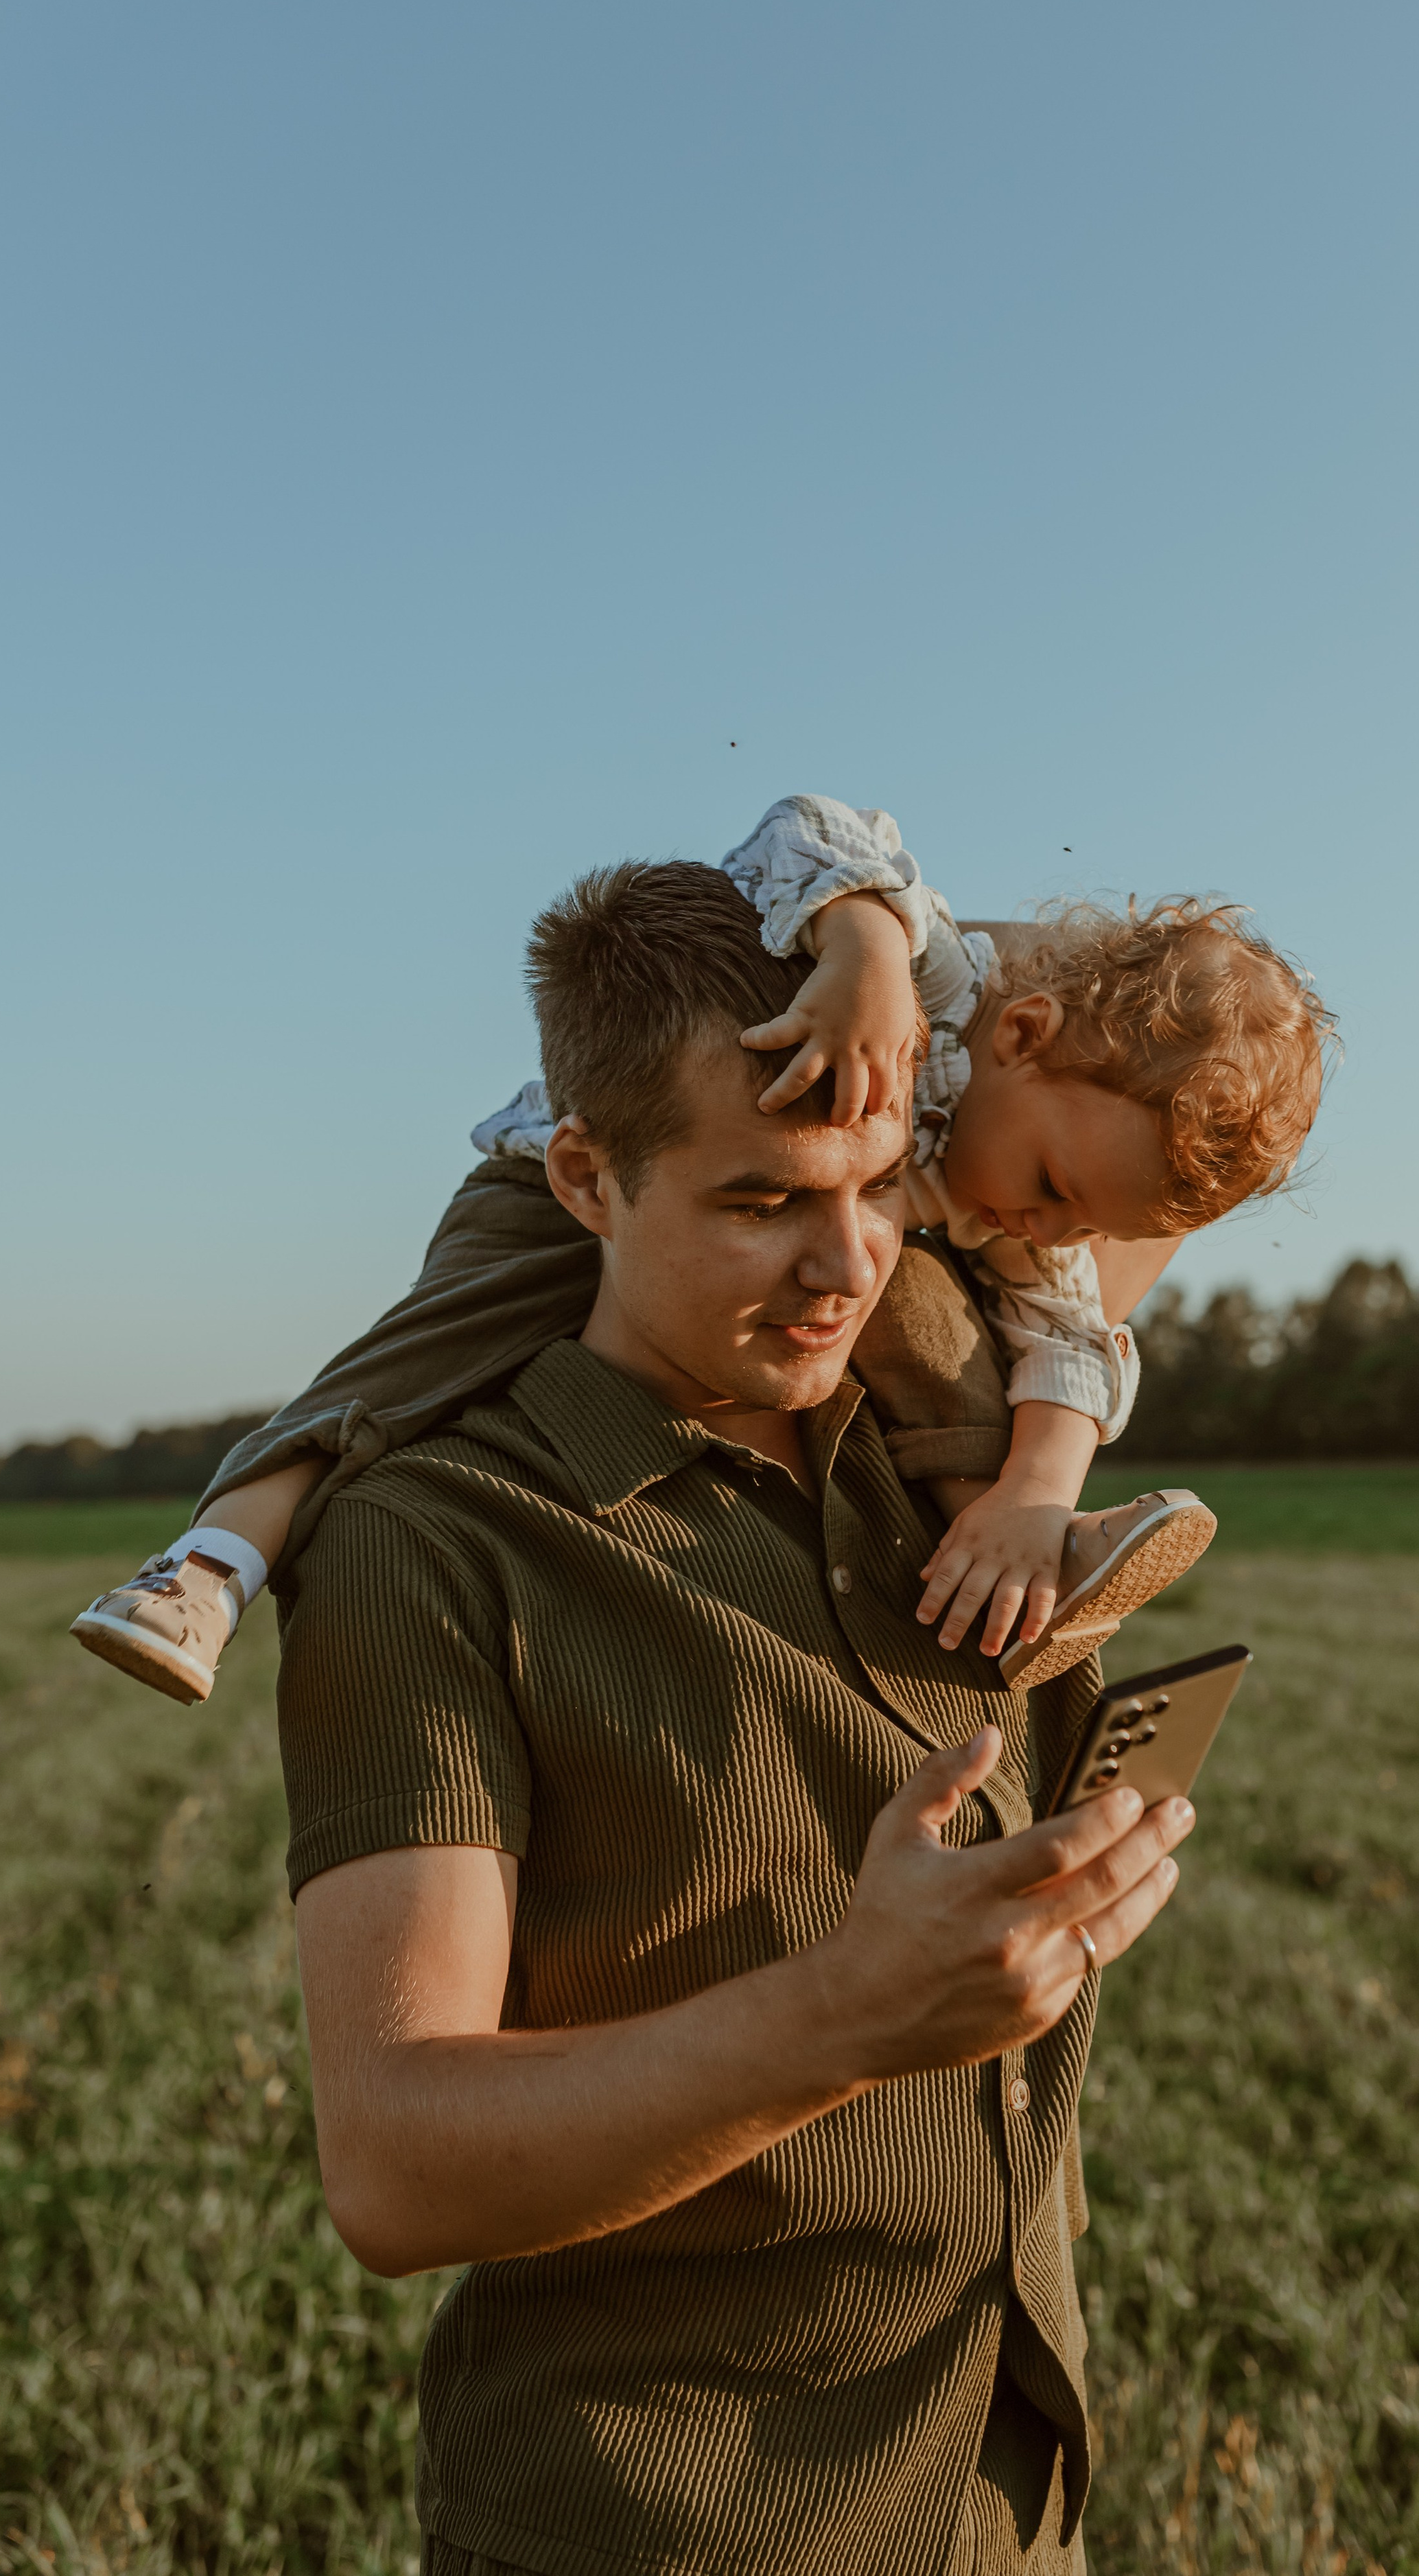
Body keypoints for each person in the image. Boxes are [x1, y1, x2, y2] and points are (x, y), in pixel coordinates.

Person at [277, 857, 1197, 2575]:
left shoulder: (953, 1475)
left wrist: (880, 939)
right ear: (582, 1177)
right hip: (659, 2530)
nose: (845, 1263)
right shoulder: (434, 1541)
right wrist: (851, 2011)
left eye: (877, 1182)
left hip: (1006, 2502)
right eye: (762, 1197)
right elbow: (394, 2171)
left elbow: (1185, 1070)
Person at [72, 797, 1333, 1706]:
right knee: (418, 1357)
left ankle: (1013, 1566)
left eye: (1089, 1224)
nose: (1050, 1233)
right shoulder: (940, 985)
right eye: (1055, 1188)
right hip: (566, 1175)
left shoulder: (1026, 1217)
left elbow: (1071, 1337)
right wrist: (864, 945)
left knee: (949, 1338)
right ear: (1024, 1035)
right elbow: (813, 829)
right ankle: (209, 1568)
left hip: (808, 1247)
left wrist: (1037, 1493)